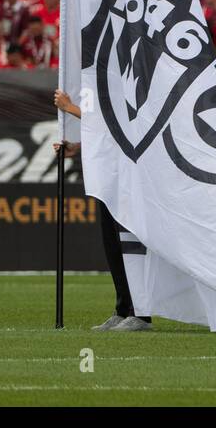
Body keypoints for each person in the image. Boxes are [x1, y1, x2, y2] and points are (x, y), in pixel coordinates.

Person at [53, 89, 152, 332]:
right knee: (113, 246)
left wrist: (70, 108)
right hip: (109, 179)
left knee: (130, 248)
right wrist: (77, 147)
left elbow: (114, 124)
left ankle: (140, 314)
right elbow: (107, 134)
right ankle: (123, 309)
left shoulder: (130, 89)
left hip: (131, 180)